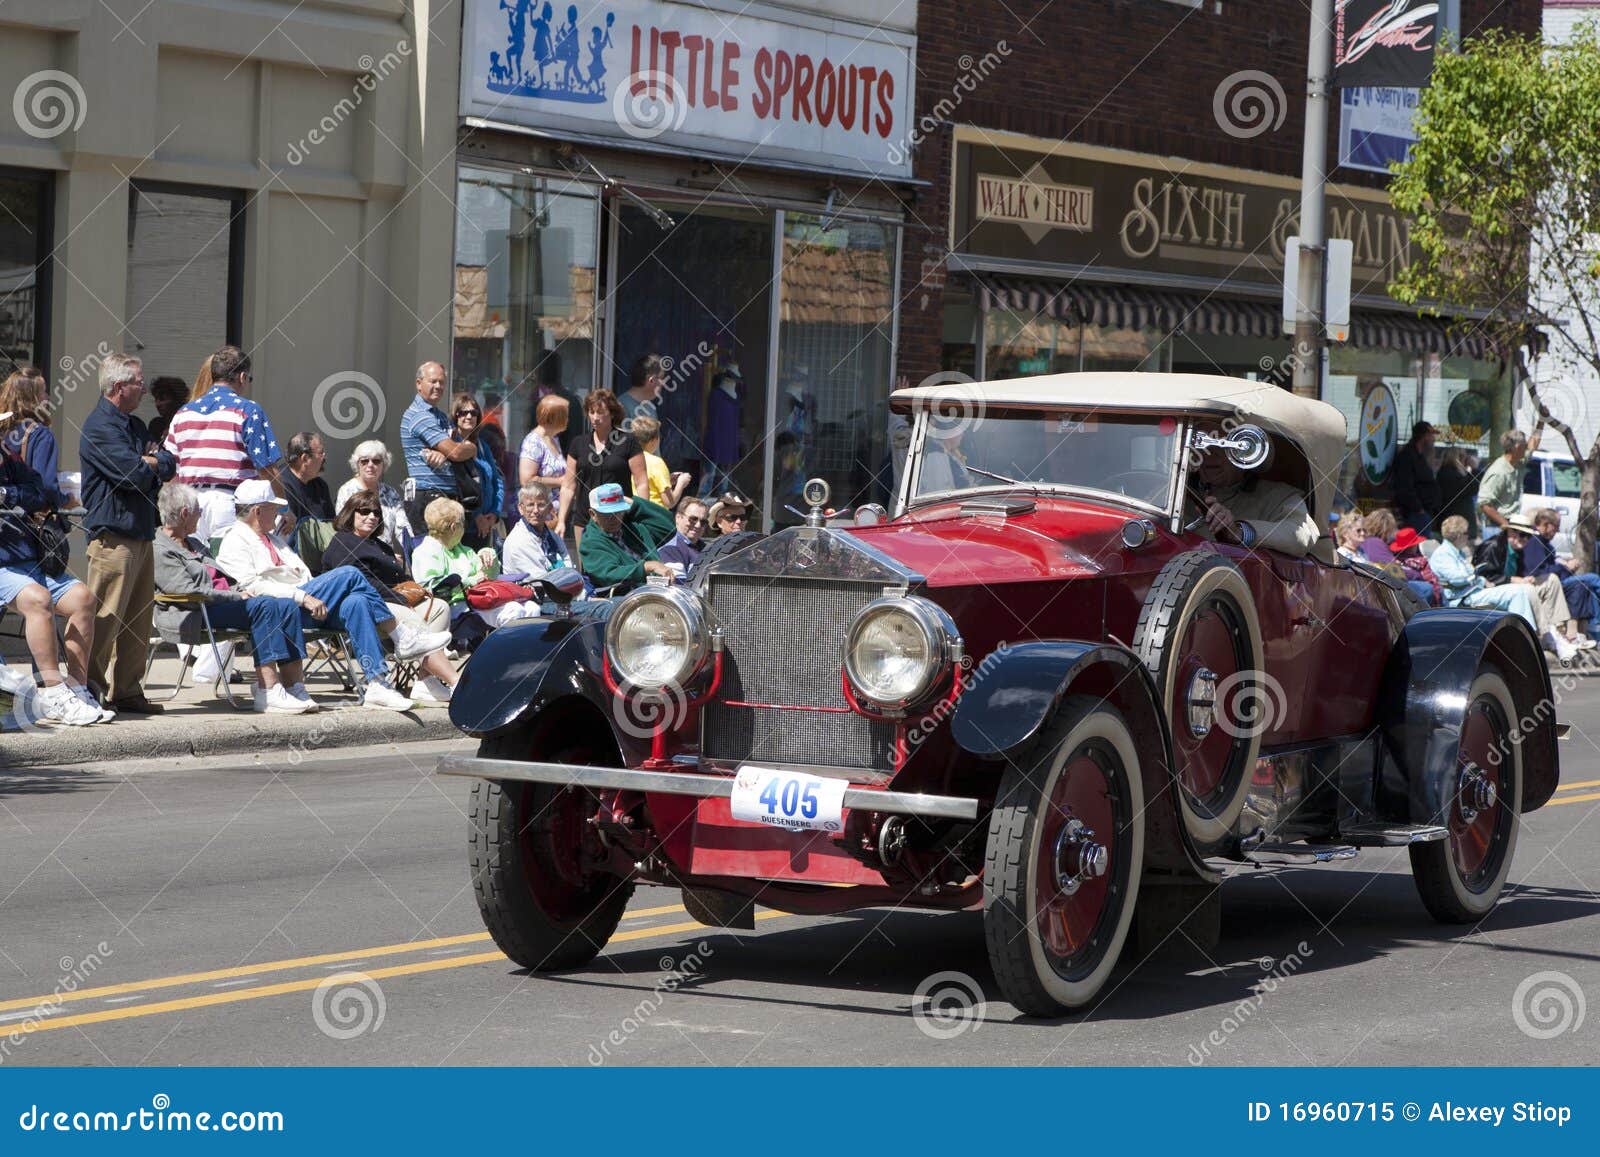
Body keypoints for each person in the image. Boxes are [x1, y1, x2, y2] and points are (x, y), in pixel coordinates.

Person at [216, 480, 451, 710]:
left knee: (357, 602)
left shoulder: (275, 539)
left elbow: (305, 575)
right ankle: (401, 636)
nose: (279, 514)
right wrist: (303, 597)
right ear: (258, 511)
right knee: (349, 573)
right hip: (283, 607)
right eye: (273, 508)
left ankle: (377, 683)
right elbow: (251, 586)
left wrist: (312, 595)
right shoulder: (235, 540)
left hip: (309, 603)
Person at [153, 483, 319, 714]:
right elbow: (186, 592)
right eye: (198, 511)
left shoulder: (194, 543)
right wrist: (234, 595)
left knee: (284, 604)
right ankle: (268, 690)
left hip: (222, 604)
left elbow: (222, 577)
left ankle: (294, 686)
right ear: (184, 514)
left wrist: (239, 589)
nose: (201, 515)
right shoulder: (160, 548)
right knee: (266, 606)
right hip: (197, 611)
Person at [80, 353, 176, 715]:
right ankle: (90, 687)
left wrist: (150, 461)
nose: (145, 389)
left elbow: (167, 462)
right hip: (113, 537)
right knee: (106, 617)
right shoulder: (99, 426)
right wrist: (147, 462)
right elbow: (130, 475)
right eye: (139, 382)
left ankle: (128, 690)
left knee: (137, 618)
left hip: (141, 532)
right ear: (120, 387)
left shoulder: (134, 426)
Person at [321, 493, 458, 704]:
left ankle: (425, 681)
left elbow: (402, 578)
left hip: (393, 601)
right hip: (365, 606)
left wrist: (416, 594)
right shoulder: (343, 541)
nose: (372, 516)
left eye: (376, 513)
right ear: (350, 514)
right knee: (414, 620)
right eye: (364, 511)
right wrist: (399, 599)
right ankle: (456, 682)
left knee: (440, 607)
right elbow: (360, 582)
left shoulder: (381, 546)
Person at [0, 449, 105, 725]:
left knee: (83, 597)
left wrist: (7, 495)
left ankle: (77, 689)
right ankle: (53, 692)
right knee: (38, 599)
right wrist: (18, 496)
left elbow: (42, 492)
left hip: (31, 561)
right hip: (3, 567)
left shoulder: (10, 461)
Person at [163, 346, 285, 541]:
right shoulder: (248, 410)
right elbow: (267, 469)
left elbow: (170, 470)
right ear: (243, 377)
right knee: (229, 567)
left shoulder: (183, 413)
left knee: (196, 567)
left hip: (190, 503)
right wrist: (283, 505)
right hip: (230, 504)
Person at [1432, 515, 1579, 663]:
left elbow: (1476, 575)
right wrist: (1480, 578)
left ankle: (1550, 633)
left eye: (1527, 536)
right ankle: (1529, 638)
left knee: (1547, 580)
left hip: (1477, 590)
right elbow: (1463, 578)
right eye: (1466, 533)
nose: (1526, 539)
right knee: (1520, 591)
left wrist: (1481, 579)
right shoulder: (1446, 553)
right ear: (1458, 535)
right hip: (1463, 597)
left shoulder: (1458, 552)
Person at [412, 496, 535, 626]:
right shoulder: (426, 552)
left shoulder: (463, 550)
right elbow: (435, 589)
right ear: (454, 527)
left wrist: (489, 557)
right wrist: (472, 581)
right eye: (463, 524)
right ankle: (510, 646)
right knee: (513, 611)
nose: (464, 528)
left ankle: (527, 646)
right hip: (454, 608)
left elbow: (491, 576)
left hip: (480, 600)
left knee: (532, 607)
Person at [1189, 437, 1319, 558]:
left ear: (1248, 452)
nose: (1209, 453)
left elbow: (1301, 534)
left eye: (1222, 443)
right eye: (1200, 442)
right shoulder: (1177, 494)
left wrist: (1240, 532)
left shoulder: (1278, 496)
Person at [557, 390, 647, 546]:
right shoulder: (578, 443)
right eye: (591, 412)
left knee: (618, 566)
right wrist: (561, 520)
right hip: (585, 519)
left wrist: (643, 514)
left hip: (618, 520)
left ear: (612, 414)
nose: (595, 417)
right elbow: (568, 486)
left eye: (600, 412)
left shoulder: (628, 441)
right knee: (586, 569)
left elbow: (641, 482)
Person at [400, 361, 477, 528]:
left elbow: (456, 449)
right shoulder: (420, 416)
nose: (438, 386)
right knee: (430, 551)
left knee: (448, 551)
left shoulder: (440, 416)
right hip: (428, 497)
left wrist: (448, 453)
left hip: (446, 497)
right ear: (418, 384)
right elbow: (456, 452)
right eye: (433, 381)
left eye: (442, 382)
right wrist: (468, 448)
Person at [1503, 516, 1590, 653]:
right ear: (1510, 533)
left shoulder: (1520, 548)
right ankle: (1552, 635)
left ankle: (1558, 632)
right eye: (1522, 535)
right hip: (1507, 589)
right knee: (1584, 582)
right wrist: (1515, 580)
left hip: (1524, 584)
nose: (1525, 539)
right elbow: (1489, 577)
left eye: (1527, 535)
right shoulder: (1499, 547)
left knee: (1579, 582)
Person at [578, 483, 676, 594]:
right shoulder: (590, 541)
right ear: (593, 514)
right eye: (607, 514)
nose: (614, 518)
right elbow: (608, 574)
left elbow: (669, 528)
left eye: (618, 512)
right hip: (622, 601)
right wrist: (646, 567)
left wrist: (635, 506)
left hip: (656, 592)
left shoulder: (632, 527)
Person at [0, 367, 69, 508]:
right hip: (25, 520)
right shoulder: (41, 435)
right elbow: (47, 485)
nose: (47, 397)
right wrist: (66, 502)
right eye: (43, 391)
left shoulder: (2, 430)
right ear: (32, 398)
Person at [1529, 506, 1600, 640]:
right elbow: (1539, 570)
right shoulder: (1535, 541)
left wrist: (1562, 564)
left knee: (1587, 587)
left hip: (1558, 579)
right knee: (1593, 578)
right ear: (1546, 524)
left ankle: (1595, 629)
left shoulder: (1544, 543)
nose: (1557, 531)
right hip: (1549, 583)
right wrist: (1567, 568)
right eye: (1555, 527)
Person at [335, 440, 413, 554]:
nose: (370, 465)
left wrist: (414, 551)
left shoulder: (390, 493)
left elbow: (403, 528)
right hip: (358, 554)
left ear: (384, 464)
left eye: (376, 461)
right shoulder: (347, 490)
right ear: (357, 464)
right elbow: (344, 528)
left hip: (386, 554)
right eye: (364, 461)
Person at [450, 392, 503, 549]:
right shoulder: (452, 445)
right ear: (455, 416)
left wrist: (494, 514)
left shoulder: (482, 446)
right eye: (463, 412)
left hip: (486, 525)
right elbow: (459, 484)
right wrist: (476, 516)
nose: (468, 416)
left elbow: (497, 480)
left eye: (473, 413)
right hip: (463, 527)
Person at [502, 484, 576, 581]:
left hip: (560, 588)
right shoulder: (518, 541)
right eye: (530, 505)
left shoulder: (552, 536)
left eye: (541, 505)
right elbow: (541, 581)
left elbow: (568, 564)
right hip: (536, 592)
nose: (536, 510)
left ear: (549, 508)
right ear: (521, 508)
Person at [1477, 427, 1536, 537]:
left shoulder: (1518, 463)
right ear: (1517, 447)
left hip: (1511, 525)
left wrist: (1541, 421)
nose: (1527, 447)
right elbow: (1484, 504)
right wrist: (1506, 524)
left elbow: (1533, 447)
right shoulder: (1498, 472)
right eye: (1524, 445)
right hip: (1496, 528)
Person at [627, 414, 690, 509]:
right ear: (653, 440)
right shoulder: (656, 463)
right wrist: (681, 483)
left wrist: (667, 480)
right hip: (655, 517)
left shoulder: (629, 458)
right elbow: (669, 502)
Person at [1391, 421, 1441, 533]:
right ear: (1424, 436)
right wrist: (1418, 509)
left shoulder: (1420, 456)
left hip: (1425, 512)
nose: (1433, 439)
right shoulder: (1407, 456)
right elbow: (1404, 486)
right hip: (1415, 515)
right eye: (1431, 435)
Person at [519, 393, 569, 498]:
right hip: (540, 510)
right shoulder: (533, 442)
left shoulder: (553, 439)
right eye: (565, 415)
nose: (568, 419)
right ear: (554, 417)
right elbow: (526, 480)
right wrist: (559, 481)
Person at [281, 431, 335, 523]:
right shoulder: (280, 486)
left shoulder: (320, 485)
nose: (324, 458)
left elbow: (331, 524)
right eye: (320, 453)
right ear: (305, 458)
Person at [657, 496, 709, 578]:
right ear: (678, 518)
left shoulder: (707, 548)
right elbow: (678, 586)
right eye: (693, 519)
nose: (698, 525)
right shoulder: (670, 549)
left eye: (703, 522)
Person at [1390, 526, 1442, 606]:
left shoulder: (1396, 562)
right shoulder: (1422, 562)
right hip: (1428, 598)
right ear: (1415, 545)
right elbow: (1432, 581)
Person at [1436, 447, 1480, 541]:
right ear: (1457, 458)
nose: (1466, 461)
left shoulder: (1448, 473)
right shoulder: (1449, 474)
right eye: (1463, 457)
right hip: (1457, 529)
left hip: (1458, 525)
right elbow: (1473, 487)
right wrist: (1474, 468)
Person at [620, 354, 664, 429]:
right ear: (651, 380)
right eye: (661, 378)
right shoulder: (622, 407)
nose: (663, 383)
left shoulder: (650, 407)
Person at [144, 376, 190, 445]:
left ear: (177, 400)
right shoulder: (156, 425)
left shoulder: (188, 424)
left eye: (162, 399)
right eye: (156, 399)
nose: (157, 404)